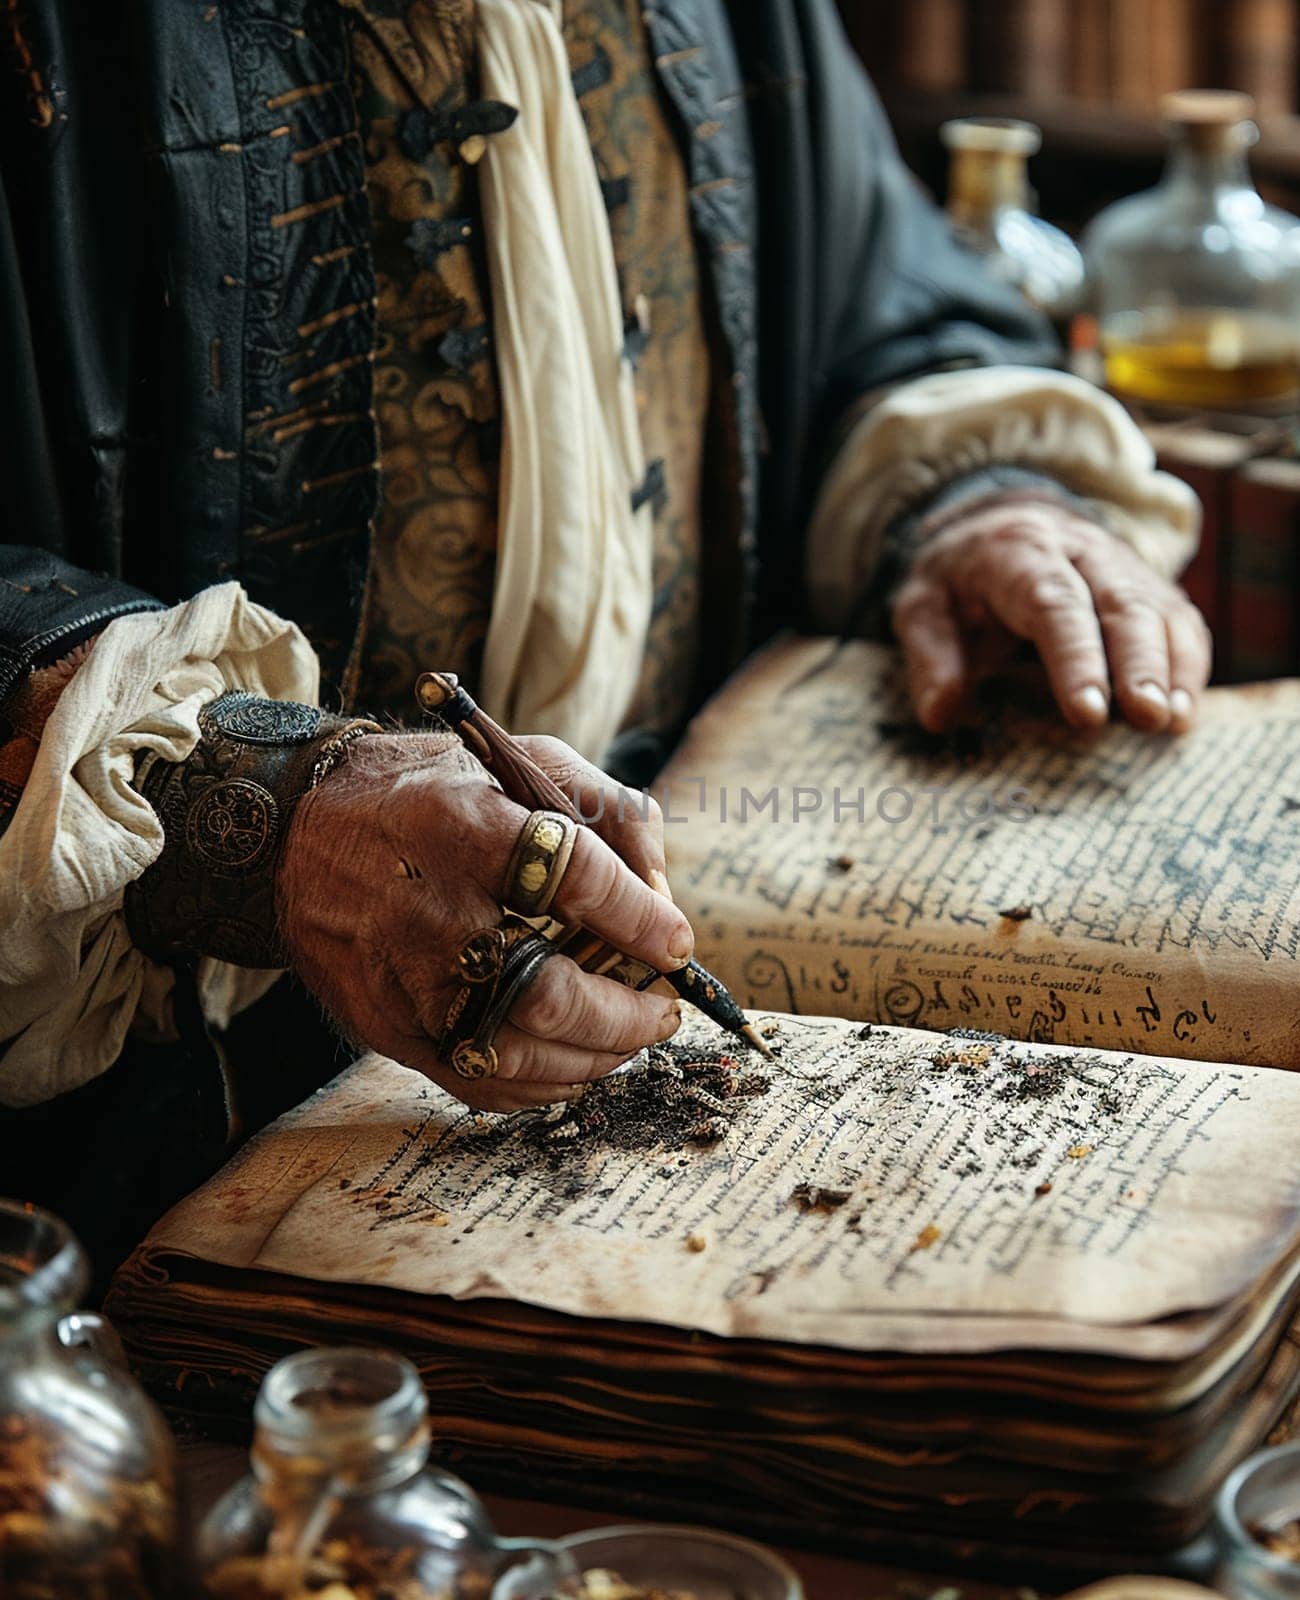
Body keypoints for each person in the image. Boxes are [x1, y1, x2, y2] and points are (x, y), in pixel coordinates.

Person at [0, 0, 1204, 1269]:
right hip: (161, 1154)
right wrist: (258, 811)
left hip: (723, 910)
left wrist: (976, 502)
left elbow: (859, 287)